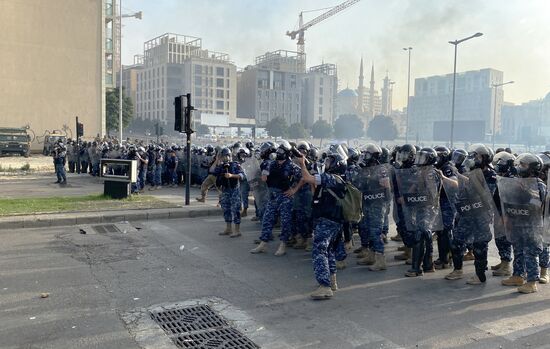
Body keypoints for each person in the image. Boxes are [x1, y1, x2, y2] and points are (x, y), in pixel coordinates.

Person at [295, 151, 348, 300]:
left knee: (319, 250)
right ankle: (332, 282)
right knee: (328, 250)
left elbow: (306, 178)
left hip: (327, 220)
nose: (327, 164)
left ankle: (324, 286)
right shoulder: (338, 180)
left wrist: (302, 164)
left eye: (330, 161)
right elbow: (315, 193)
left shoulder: (331, 178)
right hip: (332, 219)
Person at [500, 153, 547, 293]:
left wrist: (526, 190)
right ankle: (518, 276)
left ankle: (532, 282)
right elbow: (511, 201)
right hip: (517, 222)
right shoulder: (517, 181)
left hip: (532, 224)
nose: (520, 168)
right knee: (518, 250)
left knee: (531, 252)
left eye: (524, 165)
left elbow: (538, 204)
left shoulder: (539, 184)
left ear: (532, 168)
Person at [250, 140, 301, 256]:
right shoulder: (271, 164)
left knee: (285, 221)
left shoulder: (291, 166)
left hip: (285, 196)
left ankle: (283, 245)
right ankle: (263, 243)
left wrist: (294, 189)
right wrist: (263, 171)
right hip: (272, 195)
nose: (278, 152)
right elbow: (264, 178)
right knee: (267, 219)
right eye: (278, 150)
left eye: (281, 150)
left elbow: (302, 178)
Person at [215, 147, 244, 237]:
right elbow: (214, 172)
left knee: (236, 209)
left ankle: (237, 230)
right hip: (225, 190)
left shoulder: (235, 165)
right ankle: (228, 228)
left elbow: (242, 175)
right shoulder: (221, 166)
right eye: (223, 156)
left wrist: (232, 175)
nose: (224, 158)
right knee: (226, 209)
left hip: (234, 189)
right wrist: (218, 162)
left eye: (225, 156)